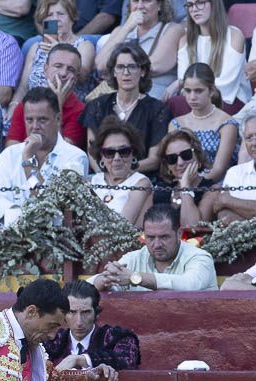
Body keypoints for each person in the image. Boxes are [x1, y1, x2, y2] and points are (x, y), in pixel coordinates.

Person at [0, 87, 90, 224]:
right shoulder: (9, 155)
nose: (35, 126)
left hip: (56, 241)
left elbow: (52, 209)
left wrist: (29, 162)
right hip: (12, 237)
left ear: (58, 119)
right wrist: (25, 219)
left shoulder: (75, 158)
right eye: (29, 120)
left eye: (42, 120)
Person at [84, 43, 170, 173]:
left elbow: (154, 160)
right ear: (113, 72)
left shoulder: (157, 109)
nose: (126, 72)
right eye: (120, 67)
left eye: (132, 67)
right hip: (102, 178)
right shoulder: (97, 106)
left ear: (143, 71)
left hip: (141, 178)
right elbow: (92, 153)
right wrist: (105, 177)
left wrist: (123, 172)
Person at [90, 203, 216, 291]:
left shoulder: (200, 257)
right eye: (150, 237)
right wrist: (104, 280)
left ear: (179, 233)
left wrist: (136, 277)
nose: (157, 245)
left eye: (164, 237)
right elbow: (96, 283)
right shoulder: (134, 258)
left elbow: (190, 285)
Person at [10, 1, 96, 109]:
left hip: (69, 110)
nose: (55, 19)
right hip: (33, 111)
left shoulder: (84, 45)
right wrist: (13, 106)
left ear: (72, 17)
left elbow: (82, 75)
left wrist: (59, 50)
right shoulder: (36, 48)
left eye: (61, 14)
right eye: (49, 15)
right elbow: (23, 87)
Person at [164, 0, 250, 108]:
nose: (194, 9)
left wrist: (179, 83)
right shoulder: (185, 41)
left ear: (214, 5)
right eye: (190, 5)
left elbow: (226, 84)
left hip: (227, 101)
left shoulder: (234, 36)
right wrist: (182, 83)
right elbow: (185, 84)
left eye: (200, 3)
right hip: (194, 99)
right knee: (174, 103)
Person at [94, 0, 183, 99]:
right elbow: (101, 65)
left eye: (147, 1)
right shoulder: (120, 31)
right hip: (119, 93)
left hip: (153, 94)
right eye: (135, 1)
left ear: (159, 5)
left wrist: (115, 68)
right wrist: (126, 28)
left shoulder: (173, 29)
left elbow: (155, 66)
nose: (140, 6)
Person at [44, 280, 141, 370]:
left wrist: (80, 360)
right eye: (72, 312)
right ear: (63, 313)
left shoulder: (117, 337)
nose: (79, 322)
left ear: (96, 313)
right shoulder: (52, 340)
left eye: (85, 312)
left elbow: (128, 360)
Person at [167, 62, 236, 181]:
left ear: (211, 91)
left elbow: (219, 169)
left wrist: (192, 184)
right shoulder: (175, 124)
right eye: (188, 91)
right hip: (180, 184)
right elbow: (171, 164)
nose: (192, 97)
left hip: (214, 187)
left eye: (198, 91)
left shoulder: (226, 123)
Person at [6, 45, 83, 150]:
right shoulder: (28, 104)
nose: (63, 73)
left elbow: (63, 154)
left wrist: (58, 104)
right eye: (58, 66)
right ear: (45, 69)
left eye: (70, 69)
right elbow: (11, 150)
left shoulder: (80, 110)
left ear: (77, 77)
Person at [88, 118, 152, 225]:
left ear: (133, 154)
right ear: (101, 157)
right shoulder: (94, 180)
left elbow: (123, 226)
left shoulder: (140, 183)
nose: (117, 158)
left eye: (124, 151)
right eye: (109, 152)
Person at [152, 127, 214, 223]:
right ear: (167, 165)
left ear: (198, 155)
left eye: (186, 154)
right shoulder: (160, 189)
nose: (180, 163)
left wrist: (185, 187)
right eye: (172, 158)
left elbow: (192, 230)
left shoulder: (211, 190)